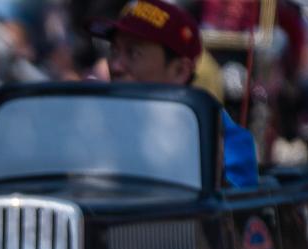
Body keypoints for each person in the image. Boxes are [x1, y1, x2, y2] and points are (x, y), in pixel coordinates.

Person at [94, 0, 257, 188]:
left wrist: (216, 177)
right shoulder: (93, 118)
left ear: (180, 71)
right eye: (113, 52)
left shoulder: (222, 135)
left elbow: (234, 209)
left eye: (133, 53)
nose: (115, 66)